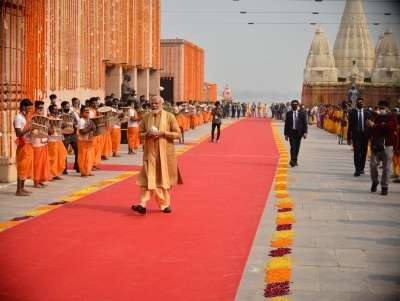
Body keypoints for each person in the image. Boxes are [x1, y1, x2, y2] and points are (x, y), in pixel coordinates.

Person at [131, 96, 183, 215]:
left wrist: (163, 133)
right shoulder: (146, 117)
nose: (154, 105)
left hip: (165, 155)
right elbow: (139, 134)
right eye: (152, 103)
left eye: (156, 103)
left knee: (165, 181)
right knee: (146, 179)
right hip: (150, 155)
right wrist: (147, 135)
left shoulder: (170, 117)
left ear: (162, 104)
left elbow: (178, 134)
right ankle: (142, 204)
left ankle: (165, 204)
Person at [367, 100, 398, 195]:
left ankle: (384, 186)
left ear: (388, 108)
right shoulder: (377, 118)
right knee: (373, 165)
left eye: (383, 108)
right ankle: (375, 181)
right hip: (377, 144)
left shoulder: (393, 117)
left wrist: (375, 125)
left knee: (386, 168)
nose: (381, 110)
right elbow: (374, 131)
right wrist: (370, 125)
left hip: (388, 145)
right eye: (379, 108)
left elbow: (388, 127)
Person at [13, 99, 35, 196]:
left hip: (28, 143)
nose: (29, 110)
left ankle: (22, 188)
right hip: (22, 144)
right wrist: (29, 129)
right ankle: (18, 190)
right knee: (22, 167)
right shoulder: (18, 118)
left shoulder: (24, 117)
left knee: (26, 166)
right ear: (23, 107)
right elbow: (18, 133)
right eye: (28, 108)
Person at [346, 98, 371, 176]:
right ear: (356, 104)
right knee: (357, 152)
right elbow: (350, 126)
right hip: (356, 136)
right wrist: (348, 137)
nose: (359, 103)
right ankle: (357, 169)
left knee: (364, 153)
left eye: (361, 102)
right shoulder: (353, 113)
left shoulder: (367, 113)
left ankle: (362, 168)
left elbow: (371, 125)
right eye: (358, 102)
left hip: (365, 135)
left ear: (363, 103)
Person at [31, 101, 53, 188]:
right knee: (37, 163)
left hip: (43, 141)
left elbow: (46, 127)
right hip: (36, 142)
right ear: (35, 107)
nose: (41, 109)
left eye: (42, 108)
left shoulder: (42, 117)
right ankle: (36, 181)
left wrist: (49, 130)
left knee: (43, 162)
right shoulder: (33, 117)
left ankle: (41, 179)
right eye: (39, 108)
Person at [284, 100, 308, 167]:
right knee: (293, 146)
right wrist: (286, 134)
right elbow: (286, 125)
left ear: (298, 105)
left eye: (295, 104)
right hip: (291, 132)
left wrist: (305, 132)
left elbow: (305, 124)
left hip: (299, 133)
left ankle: (295, 160)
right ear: (291, 105)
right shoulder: (288, 114)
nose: (294, 105)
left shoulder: (302, 113)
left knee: (297, 147)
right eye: (293, 104)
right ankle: (292, 160)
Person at [47, 105, 67, 180]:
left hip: (59, 140)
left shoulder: (58, 118)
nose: (56, 111)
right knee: (52, 158)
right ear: (50, 110)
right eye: (54, 109)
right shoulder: (49, 119)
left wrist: (63, 126)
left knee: (60, 156)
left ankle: (56, 174)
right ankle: (51, 174)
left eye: (57, 109)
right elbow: (48, 129)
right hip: (52, 141)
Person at [77, 106, 96, 177]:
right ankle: (83, 172)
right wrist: (90, 129)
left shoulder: (89, 120)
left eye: (88, 111)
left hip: (90, 140)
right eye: (85, 111)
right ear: (81, 112)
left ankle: (88, 170)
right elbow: (82, 132)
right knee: (83, 157)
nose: (87, 112)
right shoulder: (81, 120)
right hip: (83, 141)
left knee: (90, 156)